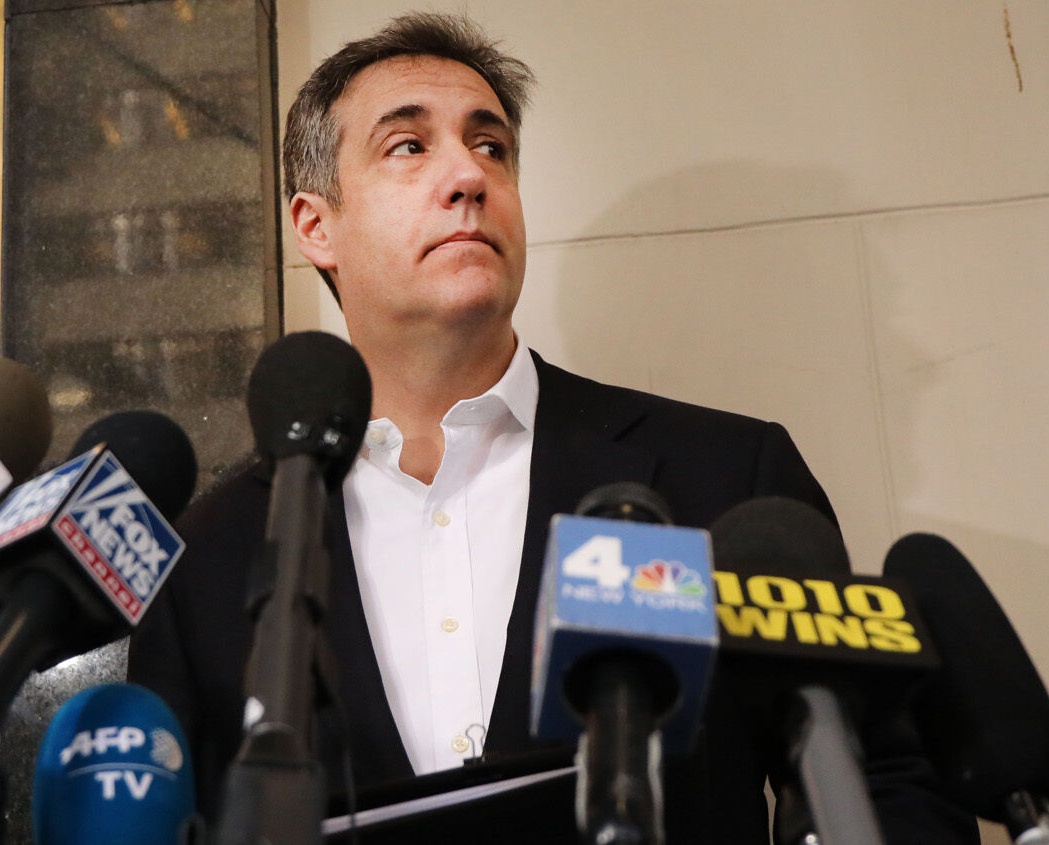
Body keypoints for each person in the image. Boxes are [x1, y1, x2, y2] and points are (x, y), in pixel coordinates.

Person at [129, 12, 977, 842]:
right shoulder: (207, 557)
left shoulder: (725, 478)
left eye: (490, 146)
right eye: (409, 146)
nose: (468, 175)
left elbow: (889, 786)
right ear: (317, 226)